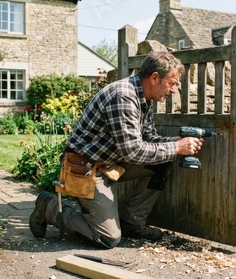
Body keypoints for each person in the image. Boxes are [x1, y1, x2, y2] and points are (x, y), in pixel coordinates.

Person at [29, 51, 204, 249]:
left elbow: (149, 139)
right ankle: (49, 207)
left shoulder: (143, 98)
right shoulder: (123, 97)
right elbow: (133, 151)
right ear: (155, 78)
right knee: (108, 238)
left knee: (163, 159)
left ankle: (132, 222)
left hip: (111, 163)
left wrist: (177, 142)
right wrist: (176, 147)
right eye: (172, 83)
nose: (173, 90)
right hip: (85, 168)